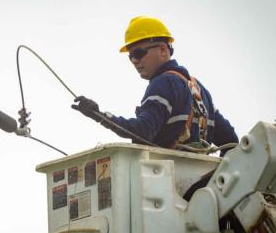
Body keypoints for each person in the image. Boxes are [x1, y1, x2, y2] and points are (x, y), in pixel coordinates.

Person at [72, 16, 238, 156]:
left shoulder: (163, 83)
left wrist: (100, 116)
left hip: (164, 184)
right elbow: (231, 142)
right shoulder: (200, 90)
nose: (135, 60)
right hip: (198, 188)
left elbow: (144, 130)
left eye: (139, 53)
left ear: (163, 50)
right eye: (131, 57)